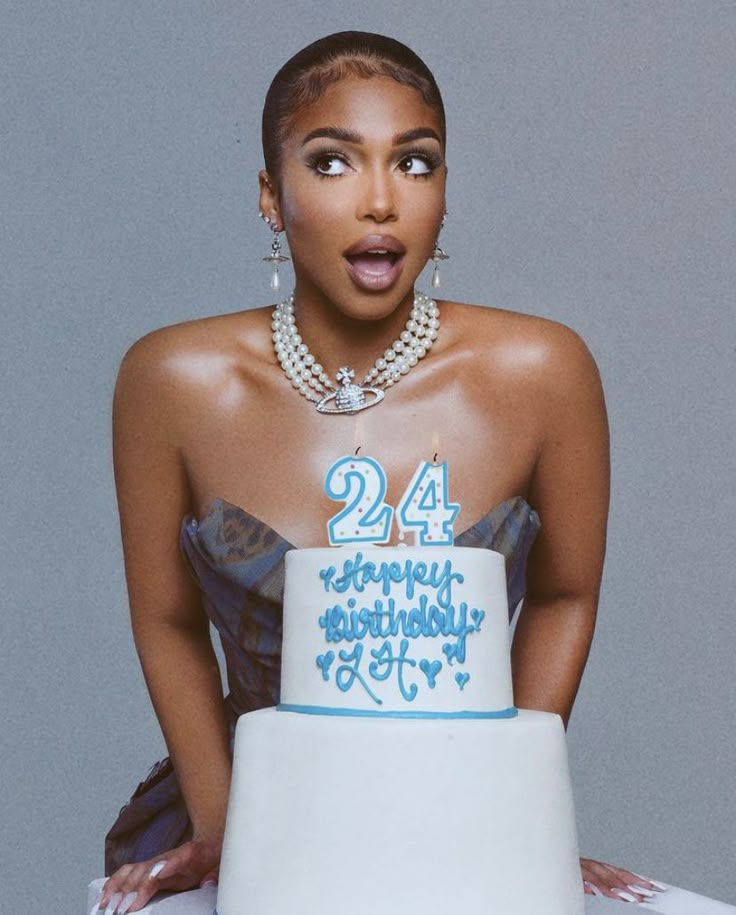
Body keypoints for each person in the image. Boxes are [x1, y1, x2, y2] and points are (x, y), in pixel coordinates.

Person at [94, 31, 663, 914]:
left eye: (416, 162)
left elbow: (565, 595)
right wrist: (224, 829)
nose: (380, 201)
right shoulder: (170, 382)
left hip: (465, 826)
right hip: (264, 830)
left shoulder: (544, 372)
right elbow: (167, 620)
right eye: (331, 162)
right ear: (270, 198)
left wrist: (520, 809)